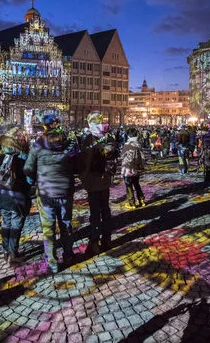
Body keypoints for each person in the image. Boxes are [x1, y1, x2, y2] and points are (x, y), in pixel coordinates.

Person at [24, 115, 78, 272]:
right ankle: (68, 254)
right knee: (66, 223)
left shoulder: (38, 145)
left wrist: (35, 179)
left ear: (44, 127)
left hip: (46, 192)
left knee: (48, 227)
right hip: (65, 191)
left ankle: (52, 261)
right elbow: (77, 165)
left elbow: (28, 168)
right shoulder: (68, 144)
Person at [79, 111, 119, 256]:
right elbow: (114, 155)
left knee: (95, 212)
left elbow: (84, 161)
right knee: (105, 210)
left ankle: (94, 242)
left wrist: (83, 177)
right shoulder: (108, 136)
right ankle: (107, 240)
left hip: (93, 180)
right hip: (105, 179)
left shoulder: (89, 139)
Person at [0, 127, 32, 266]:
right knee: (16, 224)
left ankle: (5, 251)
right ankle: (13, 253)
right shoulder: (23, 159)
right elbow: (29, 180)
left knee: (5, 222)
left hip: (2, 194)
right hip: (18, 196)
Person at [121, 127, 146, 208]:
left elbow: (123, 156)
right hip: (137, 168)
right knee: (136, 184)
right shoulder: (138, 144)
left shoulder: (127, 144)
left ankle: (132, 203)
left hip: (128, 168)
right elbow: (142, 157)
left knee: (128, 185)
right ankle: (141, 200)